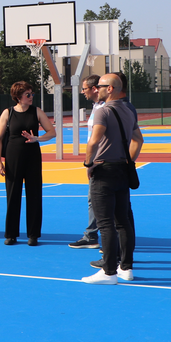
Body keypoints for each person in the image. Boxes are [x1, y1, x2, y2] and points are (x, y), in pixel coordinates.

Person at [81, 73, 144, 284]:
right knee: (123, 222)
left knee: (106, 223)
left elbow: (93, 142)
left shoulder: (103, 111)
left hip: (104, 170)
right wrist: (129, 160)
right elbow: (139, 140)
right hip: (121, 171)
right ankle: (126, 267)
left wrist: (89, 164)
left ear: (110, 89)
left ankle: (108, 272)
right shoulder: (127, 110)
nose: (96, 88)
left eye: (100, 86)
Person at [0, 81, 56, 246]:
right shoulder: (7, 113)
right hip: (13, 158)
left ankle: (33, 234)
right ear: (18, 97)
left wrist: (37, 138)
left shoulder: (36, 111)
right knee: (12, 195)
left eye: (31, 94)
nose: (31, 97)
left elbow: (52, 132)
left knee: (34, 195)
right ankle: (11, 234)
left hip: (33, 157)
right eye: (27, 95)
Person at [70, 74, 105, 249]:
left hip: (101, 161)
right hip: (98, 160)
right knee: (94, 199)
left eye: (84, 88)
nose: (82, 92)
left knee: (99, 199)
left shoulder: (104, 108)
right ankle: (93, 235)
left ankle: (99, 238)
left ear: (94, 89)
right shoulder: (97, 107)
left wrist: (89, 162)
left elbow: (95, 139)